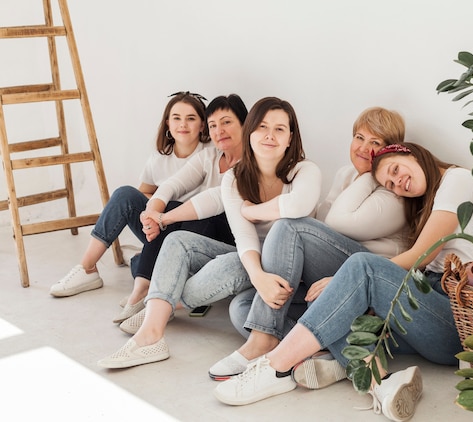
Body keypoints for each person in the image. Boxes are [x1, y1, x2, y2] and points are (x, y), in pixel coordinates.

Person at [213, 142, 473, 422]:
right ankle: (378, 379)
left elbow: (422, 255)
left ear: (410, 151)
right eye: (391, 184)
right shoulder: (424, 201)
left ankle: (276, 368)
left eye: (396, 170)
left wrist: (343, 279)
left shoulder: (458, 179)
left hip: (457, 317)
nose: (399, 184)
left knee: (362, 268)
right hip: (417, 306)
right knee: (244, 307)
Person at [97, 96, 322, 369]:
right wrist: (257, 275)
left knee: (231, 272)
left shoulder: (305, 170)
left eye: (279, 129)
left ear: (290, 138)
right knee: (177, 240)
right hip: (254, 264)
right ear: (251, 133)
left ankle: (161, 306)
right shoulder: (236, 178)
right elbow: (245, 239)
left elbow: (296, 206)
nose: (270, 136)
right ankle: (150, 336)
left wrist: (251, 211)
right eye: (262, 127)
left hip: (291, 271)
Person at [210, 107, 409, 380]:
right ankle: (329, 349)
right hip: (334, 274)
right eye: (359, 138)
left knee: (288, 226)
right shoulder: (345, 175)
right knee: (243, 306)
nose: (363, 148)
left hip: (369, 279)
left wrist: (252, 211)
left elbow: (336, 223)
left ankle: (265, 339)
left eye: (376, 143)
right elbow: (322, 224)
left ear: (392, 150)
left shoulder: (393, 190)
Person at [49, 91, 212, 298]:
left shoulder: (210, 154)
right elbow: (144, 192)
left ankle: (146, 264)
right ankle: (87, 268)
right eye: (177, 118)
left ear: (202, 125)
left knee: (140, 265)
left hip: (190, 231)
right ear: (168, 124)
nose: (183, 125)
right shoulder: (159, 158)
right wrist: (154, 211)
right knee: (124, 195)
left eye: (191, 119)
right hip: (157, 227)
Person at [112, 94, 248, 324]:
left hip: (231, 243)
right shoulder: (210, 156)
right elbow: (172, 184)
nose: (219, 131)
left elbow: (214, 199)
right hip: (200, 236)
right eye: (213, 125)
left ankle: (156, 289)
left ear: (245, 124)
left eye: (226, 122)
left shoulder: (253, 163)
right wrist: (153, 213)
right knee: (173, 205)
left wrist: (163, 218)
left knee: (196, 214)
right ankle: (142, 289)